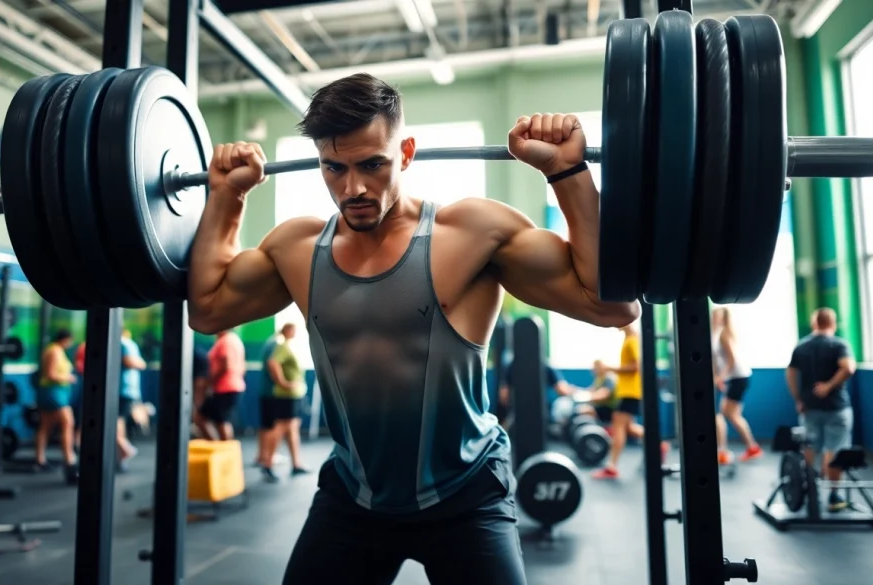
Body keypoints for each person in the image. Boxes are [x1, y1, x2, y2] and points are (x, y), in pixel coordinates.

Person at [186, 72, 639, 584]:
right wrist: (226, 198)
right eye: (333, 168)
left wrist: (568, 172)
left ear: (406, 151)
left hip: (467, 497)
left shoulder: (471, 233)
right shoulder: (297, 247)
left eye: (371, 164)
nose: (352, 187)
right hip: (353, 500)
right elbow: (207, 310)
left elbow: (614, 306)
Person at [786, 307, 857, 512]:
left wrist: (798, 398)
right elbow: (849, 367)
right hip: (837, 407)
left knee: (810, 447)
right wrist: (828, 386)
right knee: (835, 450)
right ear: (833, 324)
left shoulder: (802, 346)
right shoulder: (839, 344)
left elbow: (790, 374)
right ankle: (834, 497)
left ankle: (809, 488)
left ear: (814, 323)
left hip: (810, 406)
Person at [711, 307, 762, 464]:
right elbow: (717, 361)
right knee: (728, 414)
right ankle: (750, 447)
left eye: (717, 315)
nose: (714, 317)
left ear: (724, 318)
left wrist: (721, 377)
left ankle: (724, 451)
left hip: (738, 377)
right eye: (713, 315)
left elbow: (732, 360)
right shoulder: (716, 334)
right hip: (735, 378)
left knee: (724, 414)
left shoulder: (724, 335)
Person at [592, 322, 643, 479]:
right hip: (627, 391)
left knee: (618, 425)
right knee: (628, 427)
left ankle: (611, 466)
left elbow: (636, 366)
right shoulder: (628, 339)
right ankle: (659, 443)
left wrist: (609, 368)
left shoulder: (632, 340)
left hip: (630, 391)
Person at [262, 323, 310, 481]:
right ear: (287, 330)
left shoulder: (290, 346)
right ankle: (267, 463)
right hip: (286, 395)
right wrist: (282, 383)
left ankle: (296, 464)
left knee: (292, 427)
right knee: (282, 426)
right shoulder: (282, 346)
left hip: (295, 395)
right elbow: (272, 363)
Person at [35, 329, 78, 478]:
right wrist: (68, 378)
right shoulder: (54, 351)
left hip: (56, 391)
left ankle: (40, 459)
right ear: (65, 339)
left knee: (46, 425)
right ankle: (69, 459)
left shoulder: (57, 350)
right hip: (53, 392)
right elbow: (50, 374)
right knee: (68, 422)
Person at [197, 329, 246, 441]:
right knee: (213, 419)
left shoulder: (226, 342)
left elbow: (225, 365)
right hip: (233, 386)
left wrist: (210, 381)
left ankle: (225, 452)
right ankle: (220, 449)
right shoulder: (234, 340)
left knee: (220, 421)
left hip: (225, 388)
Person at [497, 359, 571, 431]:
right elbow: (562, 390)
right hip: (539, 414)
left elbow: (503, 396)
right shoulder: (545, 365)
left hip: (518, 413)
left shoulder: (512, 364)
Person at [118, 328, 146, 471]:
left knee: (117, 421)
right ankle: (121, 452)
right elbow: (140, 363)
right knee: (120, 421)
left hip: (122, 389)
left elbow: (130, 362)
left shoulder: (124, 343)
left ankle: (124, 449)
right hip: (127, 389)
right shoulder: (130, 344)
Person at [256, 328, 282, 468]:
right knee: (272, 425)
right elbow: (272, 364)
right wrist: (283, 383)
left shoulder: (269, 343)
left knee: (265, 424)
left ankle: (262, 455)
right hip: (272, 391)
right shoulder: (276, 345)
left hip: (266, 390)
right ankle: (266, 457)